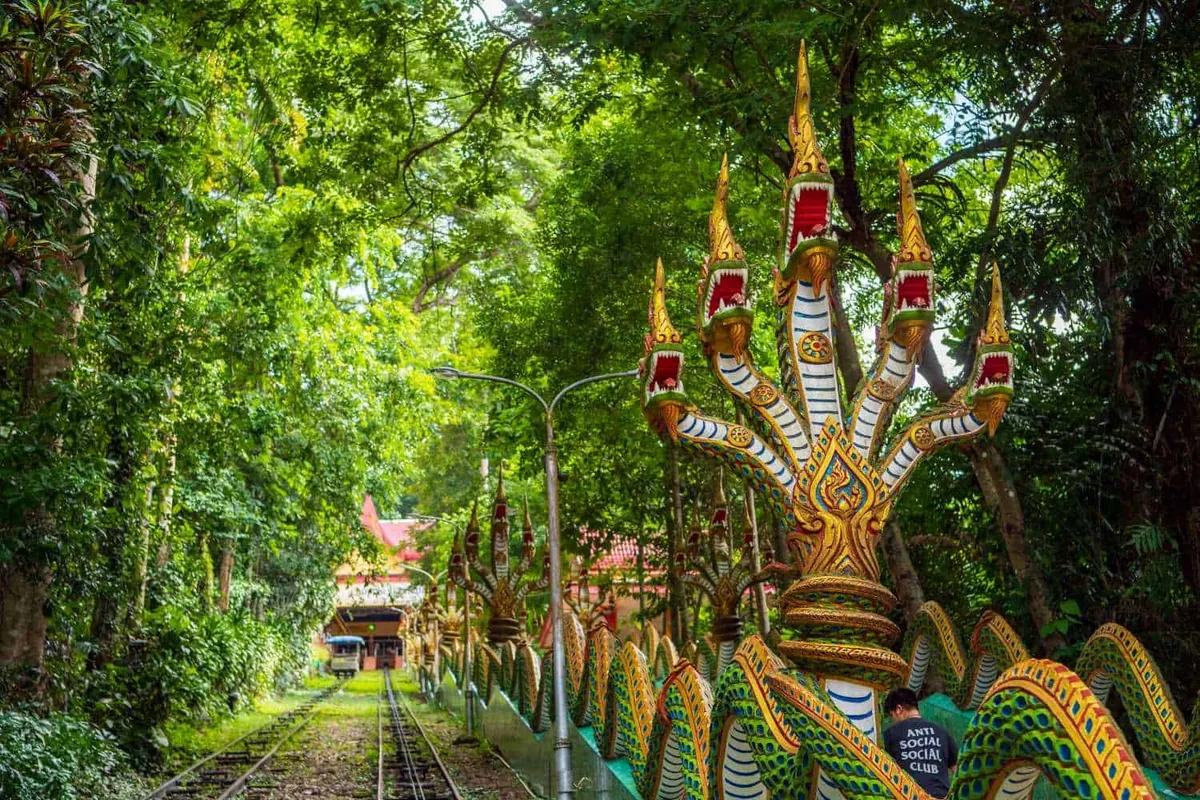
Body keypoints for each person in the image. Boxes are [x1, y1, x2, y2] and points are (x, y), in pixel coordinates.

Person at [882, 688, 958, 798]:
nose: (893, 721)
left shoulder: (891, 734)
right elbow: (958, 771)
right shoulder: (941, 732)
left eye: (892, 715)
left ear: (899, 709)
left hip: (908, 795)